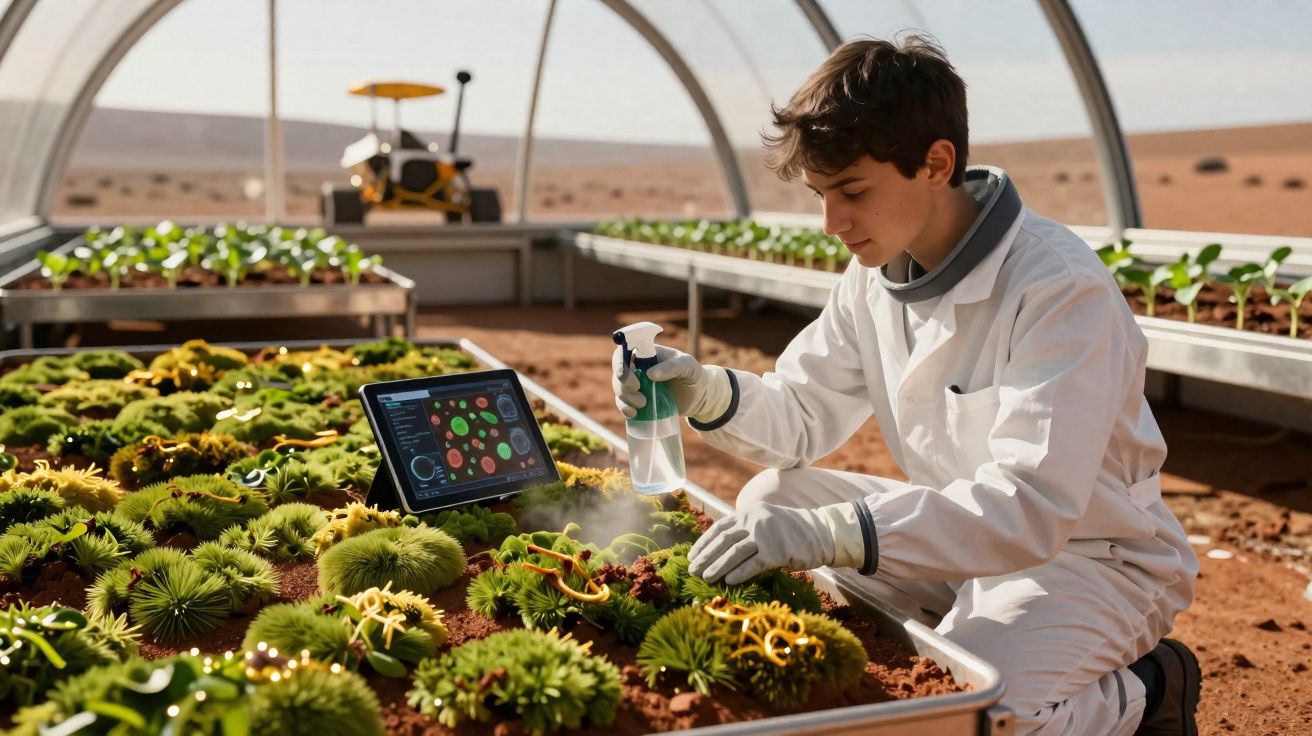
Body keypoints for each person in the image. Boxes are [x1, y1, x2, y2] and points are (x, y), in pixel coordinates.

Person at [612, 35, 1199, 736]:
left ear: (936, 164)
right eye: (822, 195)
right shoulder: (876, 275)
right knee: (774, 497)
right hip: (965, 541)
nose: (832, 224)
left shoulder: (1056, 288)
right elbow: (802, 413)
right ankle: (965, 624)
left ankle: (1148, 691)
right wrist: (702, 391)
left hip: (1089, 558)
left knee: (979, 710)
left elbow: (1032, 505)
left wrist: (831, 533)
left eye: (853, 191)